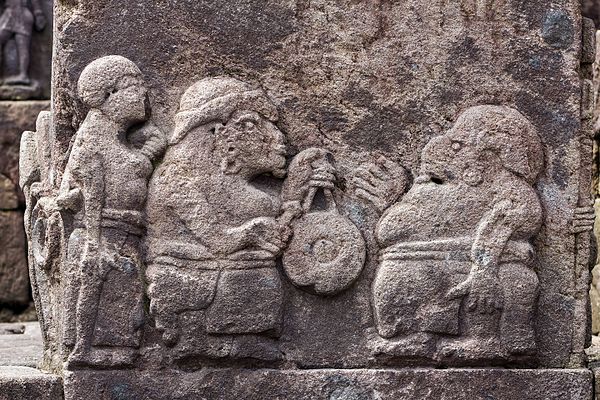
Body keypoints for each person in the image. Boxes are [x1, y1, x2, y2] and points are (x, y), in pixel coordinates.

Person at [62, 55, 165, 366]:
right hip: (103, 238)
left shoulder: (117, 140)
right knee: (100, 297)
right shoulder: (92, 141)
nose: (144, 94)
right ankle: (84, 350)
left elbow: (128, 172)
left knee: (127, 317)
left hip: (125, 238)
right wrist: (94, 245)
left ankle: (105, 351)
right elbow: (89, 195)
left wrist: (148, 151)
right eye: (135, 87)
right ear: (108, 96)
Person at [0, 0, 46, 85]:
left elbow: (35, 3)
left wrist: (38, 14)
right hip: (8, 14)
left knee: (23, 47)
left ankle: (23, 75)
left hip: (22, 15)